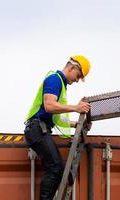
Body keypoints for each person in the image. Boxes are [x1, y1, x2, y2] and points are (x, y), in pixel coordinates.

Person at [24, 55, 91, 200]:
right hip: (37, 128)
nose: (77, 80)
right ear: (72, 67)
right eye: (78, 76)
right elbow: (49, 106)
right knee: (55, 168)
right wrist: (76, 108)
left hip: (39, 128)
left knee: (57, 169)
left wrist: (77, 124)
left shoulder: (61, 85)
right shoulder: (54, 79)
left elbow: (56, 116)